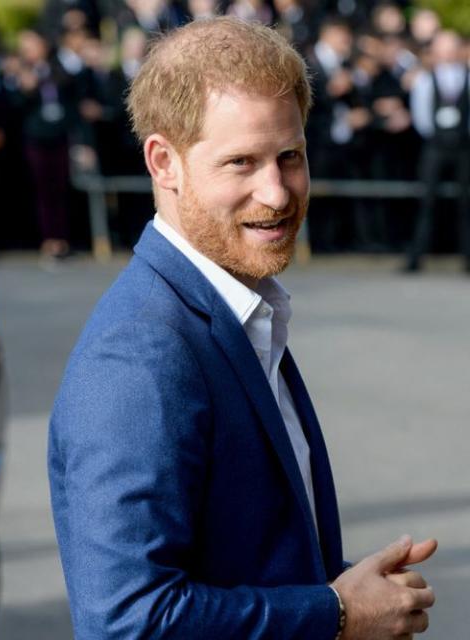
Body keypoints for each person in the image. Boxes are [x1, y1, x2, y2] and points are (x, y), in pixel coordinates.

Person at [48, 18, 437, 638]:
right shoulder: (139, 353)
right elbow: (127, 621)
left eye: (290, 156)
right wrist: (336, 614)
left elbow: (237, 560)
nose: (277, 193)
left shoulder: (242, 308)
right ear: (163, 162)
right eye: (241, 163)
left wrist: (349, 590)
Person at [405, 29, 470, 272]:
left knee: (466, 203)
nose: (447, 51)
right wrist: (436, 136)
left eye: (451, 46)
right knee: (426, 202)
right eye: (442, 46)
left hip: (463, 146)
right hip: (435, 146)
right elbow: (420, 114)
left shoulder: (467, 75)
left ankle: (468, 258)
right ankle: (416, 257)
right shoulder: (425, 78)